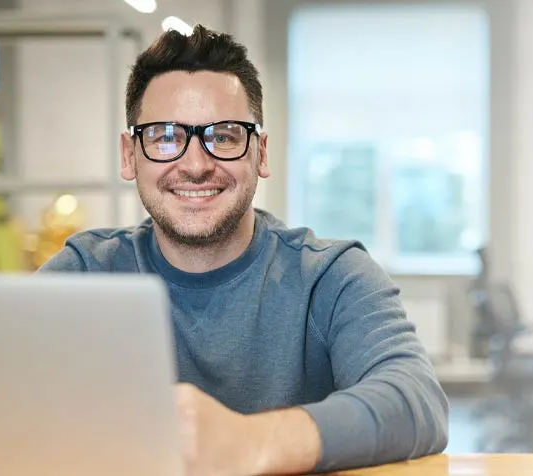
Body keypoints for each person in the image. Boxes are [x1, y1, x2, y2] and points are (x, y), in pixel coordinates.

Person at [38, 24, 448, 475]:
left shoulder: (330, 276)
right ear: (129, 155)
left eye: (225, 136)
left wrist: (249, 442)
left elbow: (415, 402)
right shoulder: (84, 275)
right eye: (165, 137)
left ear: (261, 152)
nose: (195, 165)